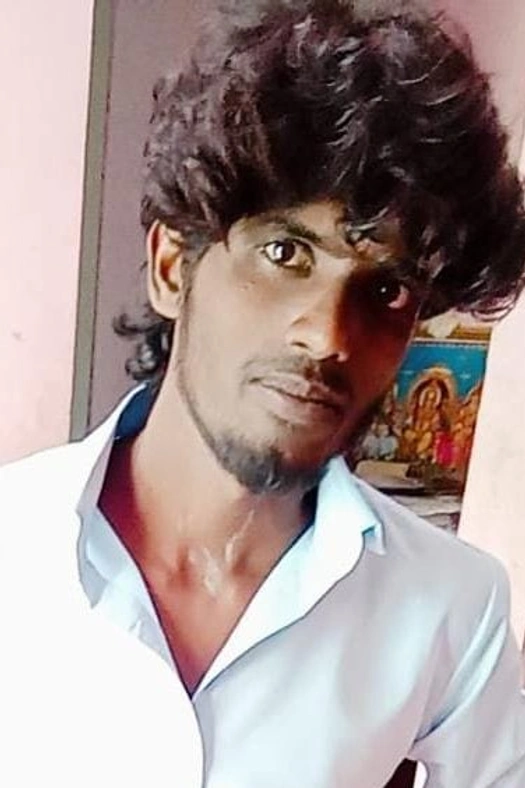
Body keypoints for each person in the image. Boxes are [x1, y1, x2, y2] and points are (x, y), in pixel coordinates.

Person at [2, 1, 525, 785]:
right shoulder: (14, 545)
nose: (327, 335)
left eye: (386, 290)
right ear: (173, 268)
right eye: (285, 253)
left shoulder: (450, 606)